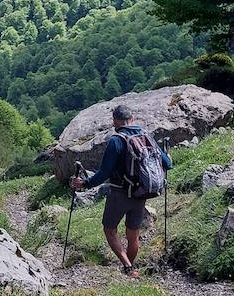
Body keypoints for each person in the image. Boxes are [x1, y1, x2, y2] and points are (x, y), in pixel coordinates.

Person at [68, 104, 171, 277]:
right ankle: (130, 269)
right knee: (133, 234)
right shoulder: (146, 136)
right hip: (142, 194)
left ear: (115, 121)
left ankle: (127, 267)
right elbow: (167, 163)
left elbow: (104, 173)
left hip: (120, 193)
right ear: (132, 119)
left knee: (109, 229)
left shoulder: (116, 140)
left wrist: (84, 184)